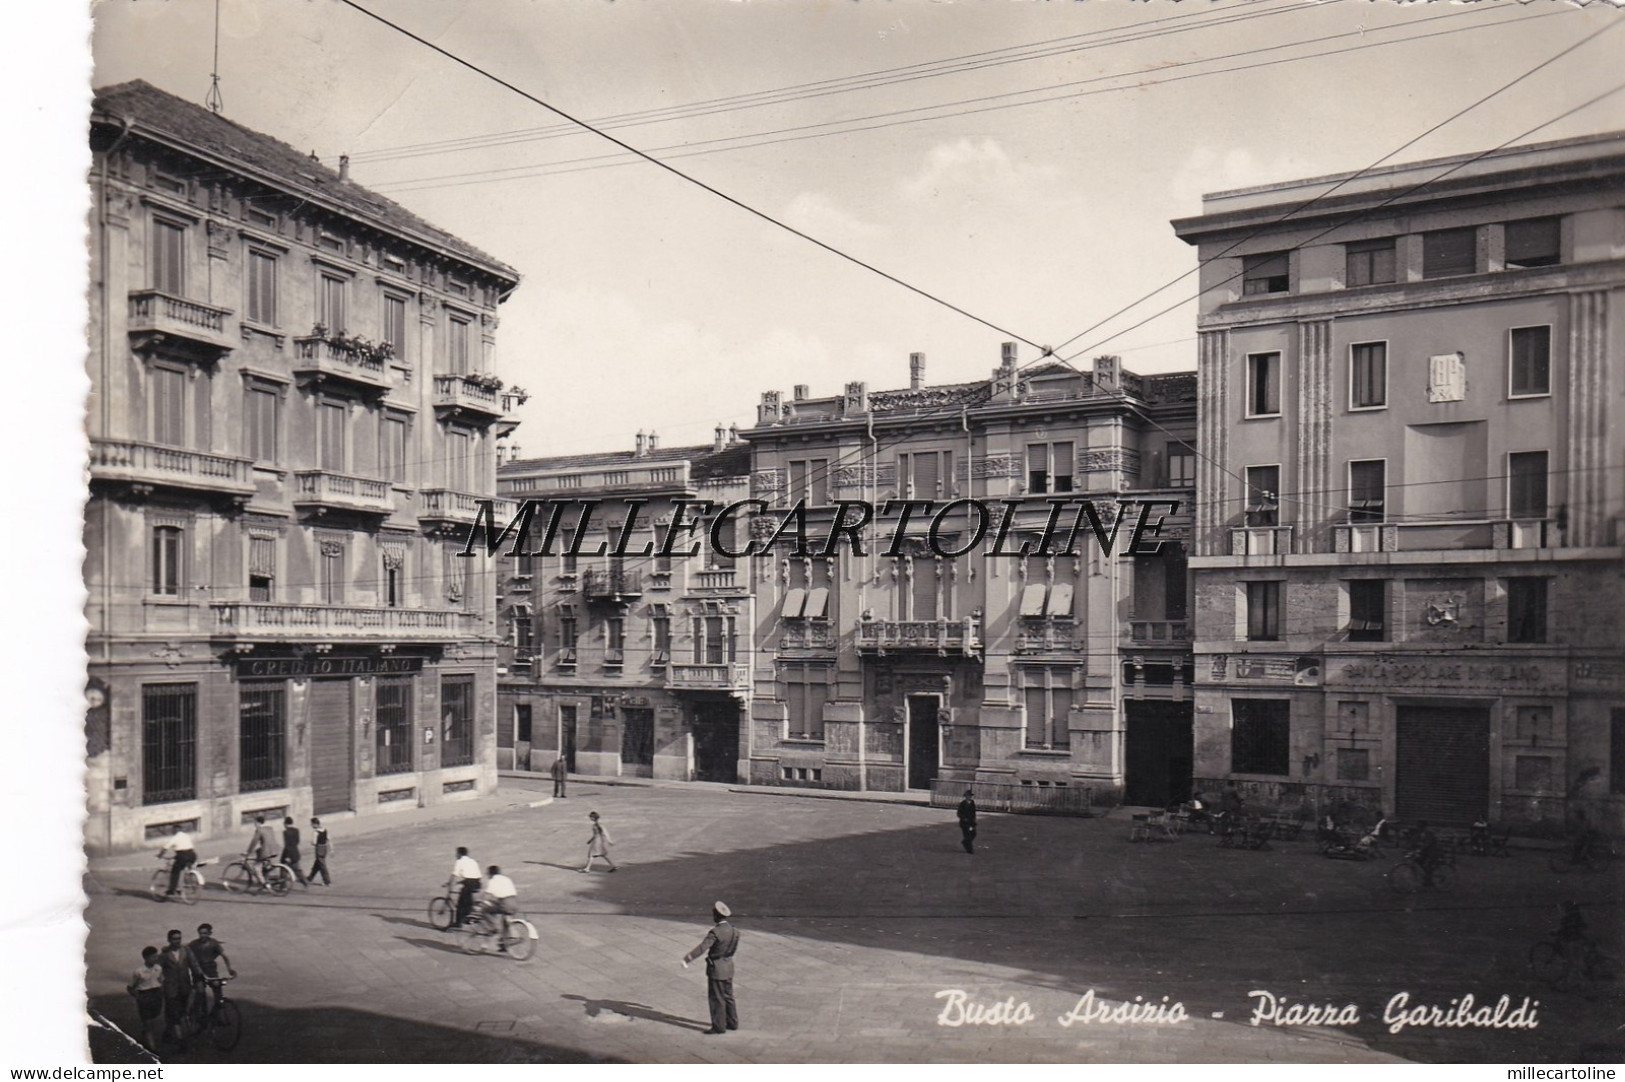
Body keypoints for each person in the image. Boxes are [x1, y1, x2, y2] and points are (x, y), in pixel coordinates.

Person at [683, 901, 740, 1035]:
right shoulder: (735, 931)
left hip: (717, 969)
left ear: (717, 915)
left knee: (717, 998)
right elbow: (733, 949)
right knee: (728, 996)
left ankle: (719, 1026)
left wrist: (688, 958)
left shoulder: (715, 932)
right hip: (729, 966)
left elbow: (703, 947)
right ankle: (733, 1022)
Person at [155, 929, 198, 1042]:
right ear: (169, 940)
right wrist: (160, 982)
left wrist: (199, 977)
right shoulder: (164, 954)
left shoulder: (186, 951)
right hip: (170, 989)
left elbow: (194, 965)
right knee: (174, 1012)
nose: (177, 941)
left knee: (181, 1011)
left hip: (185, 987)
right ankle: (181, 1041)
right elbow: (157, 970)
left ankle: (168, 1033)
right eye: (174, 939)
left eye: (179, 938)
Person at [186, 923, 235, 1019]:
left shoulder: (213, 943)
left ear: (209, 933)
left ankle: (219, 1012)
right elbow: (185, 951)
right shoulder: (194, 944)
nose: (202, 936)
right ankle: (198, 1013)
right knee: (200, 991)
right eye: (200, 933)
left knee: (217, 989)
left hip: (211, 969)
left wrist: (229, 969)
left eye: (205, 933)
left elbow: (224, 956)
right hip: (198, 970)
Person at [126, 945, 165, 1052]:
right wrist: (139, 997)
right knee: (147, 1021)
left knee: (155, 1016)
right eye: (153, 957)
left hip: (156, 996)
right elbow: (130, 987)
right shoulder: (139, 972)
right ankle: (152, 1048)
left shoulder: (158, 968)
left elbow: (161, 980)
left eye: (156, 956)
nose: (156, 958)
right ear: (146, 958)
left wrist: (161, 990)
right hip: (145, 996)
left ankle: (146, 1032)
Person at [477, 864, 519, 947]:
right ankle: (504, 943)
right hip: (514, 902)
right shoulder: (507, 879)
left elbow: (487, 895)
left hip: (504, 904)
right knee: (505, 920)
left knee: (484, 910)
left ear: (490, 874)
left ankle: (494, 928)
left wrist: (480, 901)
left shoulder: (493, 881)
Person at [450, 846, 482, 927]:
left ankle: (458, 923)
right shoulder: (472, 861)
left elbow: (454, 874)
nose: (456, 855)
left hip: (469, 883)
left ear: (459, 854)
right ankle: (469, 916)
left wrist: (450, 883)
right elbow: (474, 874)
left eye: (456, 853)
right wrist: (462, 881)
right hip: (477, 883)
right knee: (468, 901)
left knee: (460, 904)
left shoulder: (459, 861)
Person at [161, 827, 196, 899]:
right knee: (188, 866)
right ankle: (190, 881)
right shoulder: (186, 836)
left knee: (175, 872)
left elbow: (165, 847)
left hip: (182, 856)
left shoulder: (175, 837)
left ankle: (171, 890)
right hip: (192, 855)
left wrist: (160, 855)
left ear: (175, 830)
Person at [245, 814, 280, 886]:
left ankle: (264, 884)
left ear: (258, 823)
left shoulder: (259, 830)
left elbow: (254, 842)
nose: (254, 824)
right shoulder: (270, 828)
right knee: (264, 863)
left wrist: (248, 852)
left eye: (255, 823)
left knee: (256, 867)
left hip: (266, 851)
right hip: (274, 850)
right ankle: (266, 877)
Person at [1412, 820, 1443, 886]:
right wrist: (1406, 846)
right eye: (1417, 826)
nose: (1418, 827)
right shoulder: (1419, 833)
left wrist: (1420, 849)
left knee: (1427, 863)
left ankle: (1429, 879)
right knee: (1417, 860)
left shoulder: (1428, 833)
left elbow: (1428, 843)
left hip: (1434, 851)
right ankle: (1427, 876)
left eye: (1419, 826)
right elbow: (1414, 840)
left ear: (1423, 826)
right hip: (1427, 851)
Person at [281, 816, 309, 887]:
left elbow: (287, 844)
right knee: (297, 869)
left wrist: (287, 856)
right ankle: (304, 881)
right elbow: (297, 841)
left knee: (283, 868)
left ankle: (283, 884)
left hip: (288, 853)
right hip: (295, 852)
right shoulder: (296, 830)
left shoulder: (285, 832)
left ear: (286, 824)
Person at [307, 817, 332, 886]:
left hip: (319, 849)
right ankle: (310, 878)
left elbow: (314, 843)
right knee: (317, 864)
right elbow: (329, 840)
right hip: (325, 848)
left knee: (322, 865)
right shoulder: (325, 830)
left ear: (315, 824)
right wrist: (331, 850)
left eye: (312, 824)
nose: (311, 825)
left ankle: (327, 881)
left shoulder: (315, 832)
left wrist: (311, 842)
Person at [956, 790, 977, 854]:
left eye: (970, 796)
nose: (969, 797)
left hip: (971, 822)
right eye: (968, 796)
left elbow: (973, 812)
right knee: (967, 835)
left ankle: (965, 842)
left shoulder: (972, 803)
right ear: (965, 796)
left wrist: (974, 820)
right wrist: (963, 818)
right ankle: (969, 849)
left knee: (973, 833)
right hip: (964, 823)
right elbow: (959, 813)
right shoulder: (962, 803)